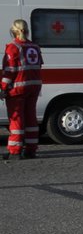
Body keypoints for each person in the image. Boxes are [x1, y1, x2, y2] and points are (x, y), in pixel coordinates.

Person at [2, 19, 43, 160]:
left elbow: (9, 71)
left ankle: (15, 151)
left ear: (13, 31)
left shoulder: (13, 47)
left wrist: (3, 87)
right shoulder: (35, 47)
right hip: (35, 86)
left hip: (18, 88)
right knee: (31, 118)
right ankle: (31, 150)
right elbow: (39, 65)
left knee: (17, 120)